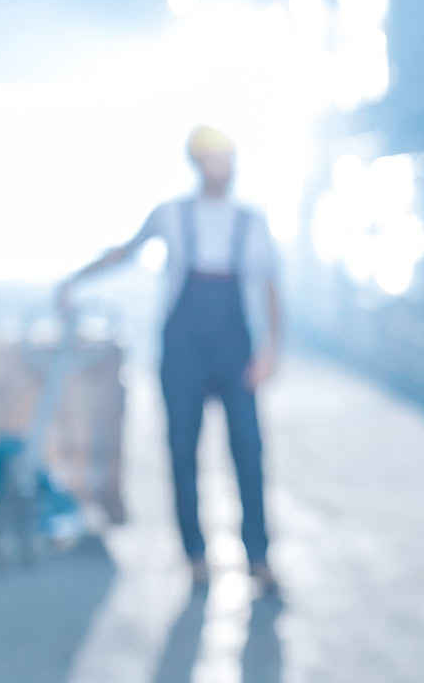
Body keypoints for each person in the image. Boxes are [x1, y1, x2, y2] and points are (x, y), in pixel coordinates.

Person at [57, 124, 283, 594]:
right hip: (182, 352)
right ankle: (195, 556)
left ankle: (257, 555)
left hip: (235, 351)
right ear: (198, 163)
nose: (224, 166)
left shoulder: (251, 221)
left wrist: (271, 349)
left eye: (228, 157)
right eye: (214, 157)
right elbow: (125, 252)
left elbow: (270, 286)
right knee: (182, 452)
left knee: (248, 450)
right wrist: (75, 280)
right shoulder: (172, 215)